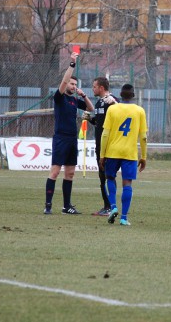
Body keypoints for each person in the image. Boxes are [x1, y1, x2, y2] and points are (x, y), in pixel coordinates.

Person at [44, 52, 94, 215]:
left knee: (70, 173)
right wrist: (72, 64)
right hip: (60, 139)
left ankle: (67, 206)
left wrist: (84, 95)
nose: (72, 86)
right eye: (71, 84)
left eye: (75, 84)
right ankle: (48, 205)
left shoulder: (74, 100)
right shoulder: (59, 98)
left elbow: (91, 109)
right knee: (55, 171)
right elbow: (64, 80)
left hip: (73, 140)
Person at [99, 84, 147, 226]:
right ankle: (124, 218)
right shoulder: (139, 111)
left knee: (110, 178)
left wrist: (102, 154)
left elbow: (105, 134)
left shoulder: (113, 109)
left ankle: (113, 207)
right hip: (129, 153)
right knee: (127, 183)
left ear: (120, 95)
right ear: (133, 96)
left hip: (112, 151)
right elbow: (143, 136)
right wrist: (143, 156)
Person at [86, 77, 118, 216]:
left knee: (109, 175)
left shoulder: (112, 101)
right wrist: (90, 119)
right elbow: (100, 123)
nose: (93, 89)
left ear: (101, 88)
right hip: (99, 144)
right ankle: (107, 206)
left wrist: (116, 103)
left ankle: (111, 206)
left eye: (94, 86)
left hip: (110, 145)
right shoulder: (99, 102)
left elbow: (120, 116)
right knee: (101, 176)